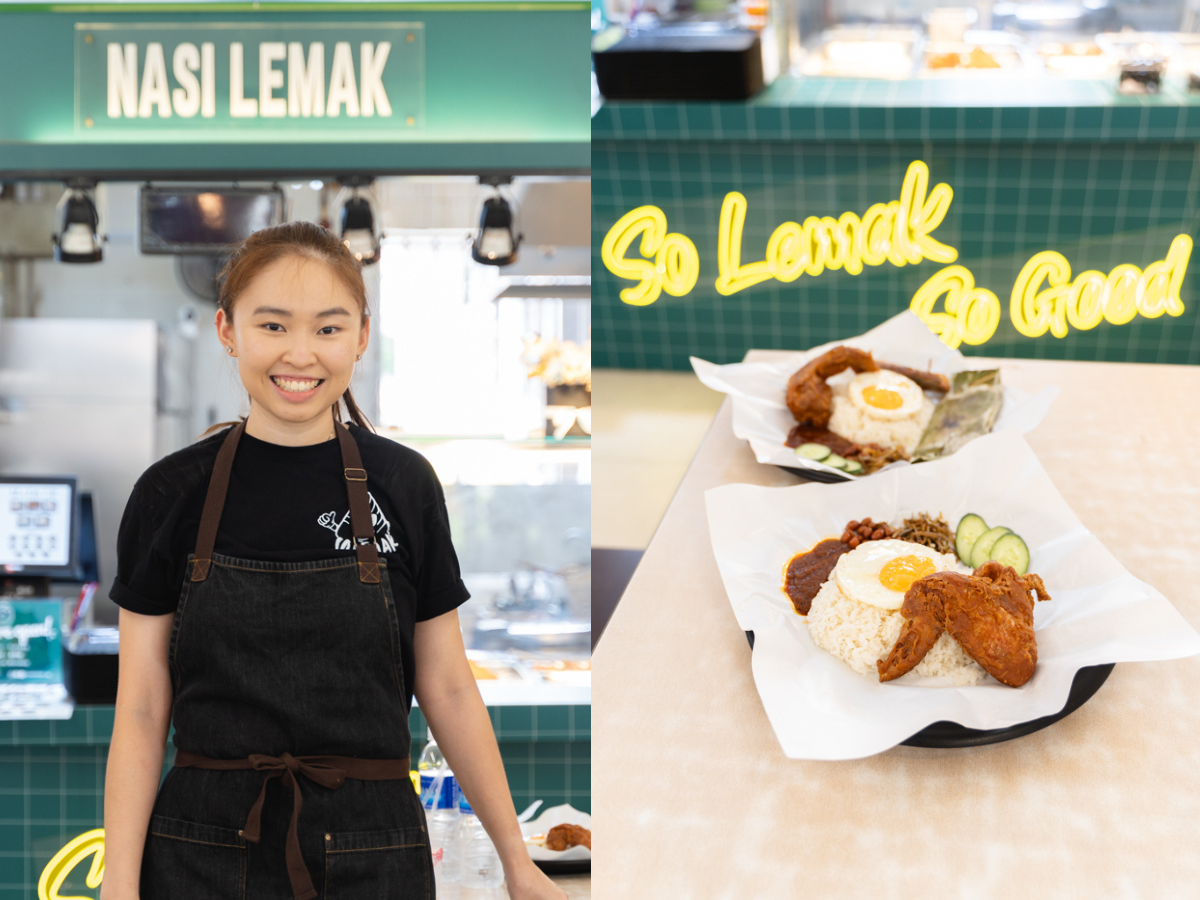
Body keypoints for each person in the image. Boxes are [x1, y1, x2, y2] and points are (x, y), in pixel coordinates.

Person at [100, 221, 567, 900]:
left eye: (327, 328)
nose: (301, 354)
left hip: (374, 852)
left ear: (361, 337)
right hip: (200, 851)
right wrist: (119, 883)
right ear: (229, 332)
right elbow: (141, 706)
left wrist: (518, 865)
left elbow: (448, 686)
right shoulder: (170, 493)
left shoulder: (404, 484)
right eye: (273, 326)